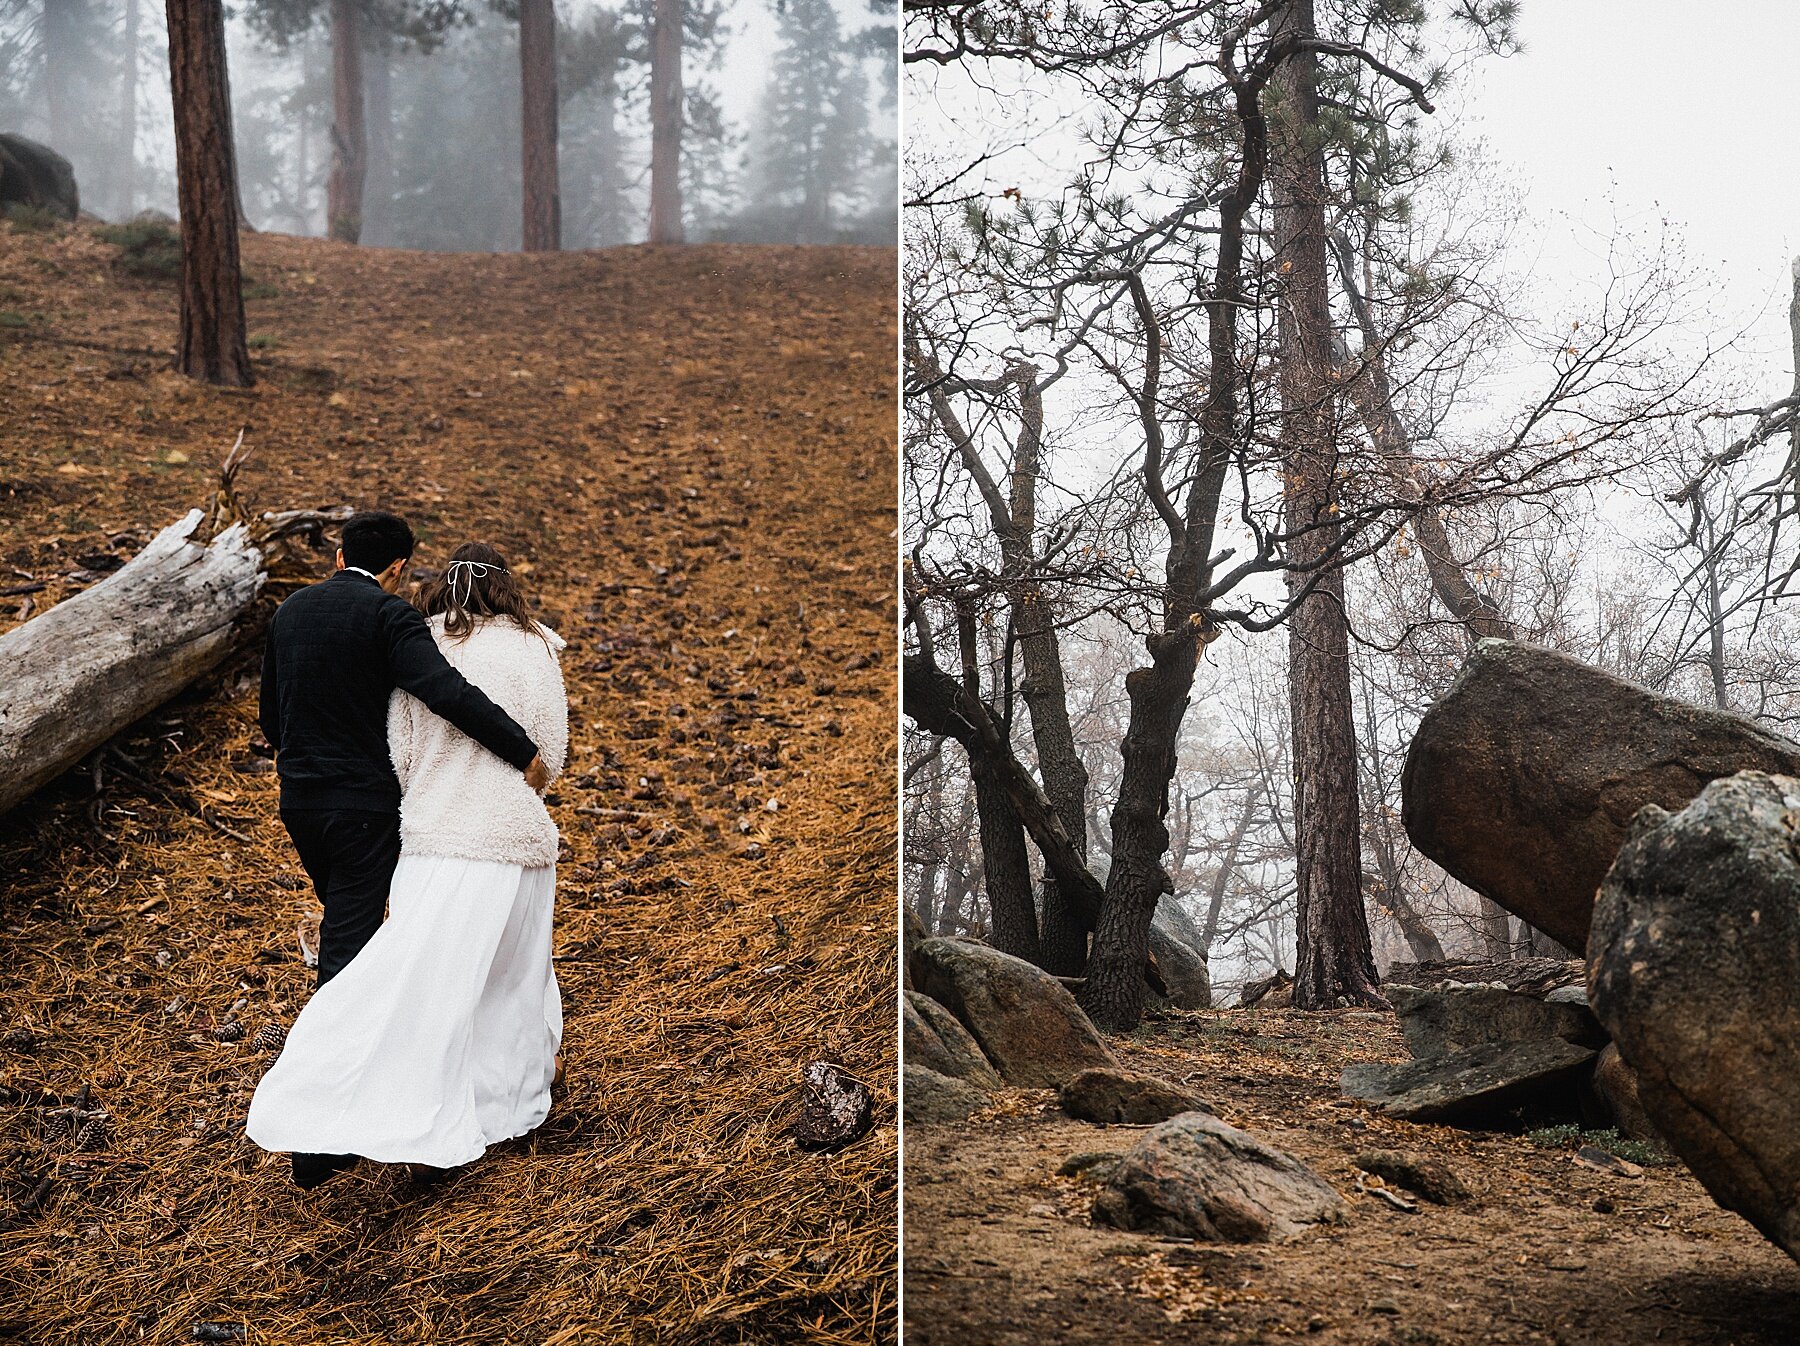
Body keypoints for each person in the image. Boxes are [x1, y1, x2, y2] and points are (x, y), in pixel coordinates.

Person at [248, 541, 568, 1181]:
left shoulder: (423, 644)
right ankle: (507, 1111)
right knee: (513, 983)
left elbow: (398, 748)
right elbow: (551, 750)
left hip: (436, 841)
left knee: (421, 983)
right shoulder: (538, 647)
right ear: (505, 589)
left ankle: (353, 1102)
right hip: (519, 842)